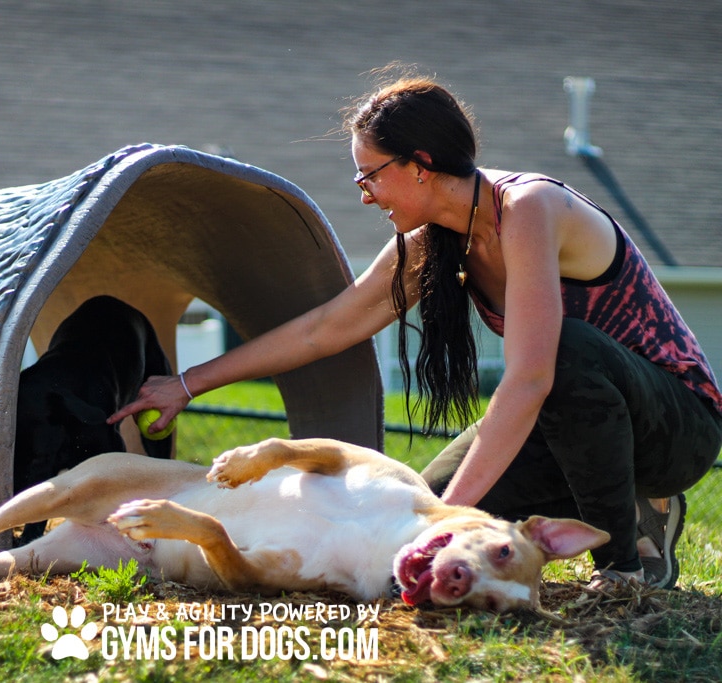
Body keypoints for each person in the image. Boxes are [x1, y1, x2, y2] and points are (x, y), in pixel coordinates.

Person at [109, 66, 722, 589]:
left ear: (421, 165)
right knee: (414, 504)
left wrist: (449, 513)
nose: (366, 195)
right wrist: (185, 385)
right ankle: (623, 506)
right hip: (566, 423)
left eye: (370, 175)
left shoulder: (529, 208)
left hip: (677, 427)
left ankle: (624, 564)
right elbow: (324, 329)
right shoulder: (431, 245)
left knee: (557, 362)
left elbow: (531, 378)